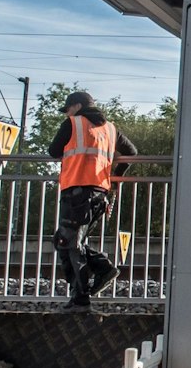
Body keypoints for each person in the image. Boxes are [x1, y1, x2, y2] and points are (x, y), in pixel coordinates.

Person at [48, 90, 138, 308]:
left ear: (77, 106)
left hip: (76, 191)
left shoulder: (73, 123)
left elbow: (53, 151)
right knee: (66, 241)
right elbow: (132, 152)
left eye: (68, 109)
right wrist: (115, 181)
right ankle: (101, 271)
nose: (67, 113)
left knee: (68, 243)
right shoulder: (110, 129)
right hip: (100, 193)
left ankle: (82, 296)